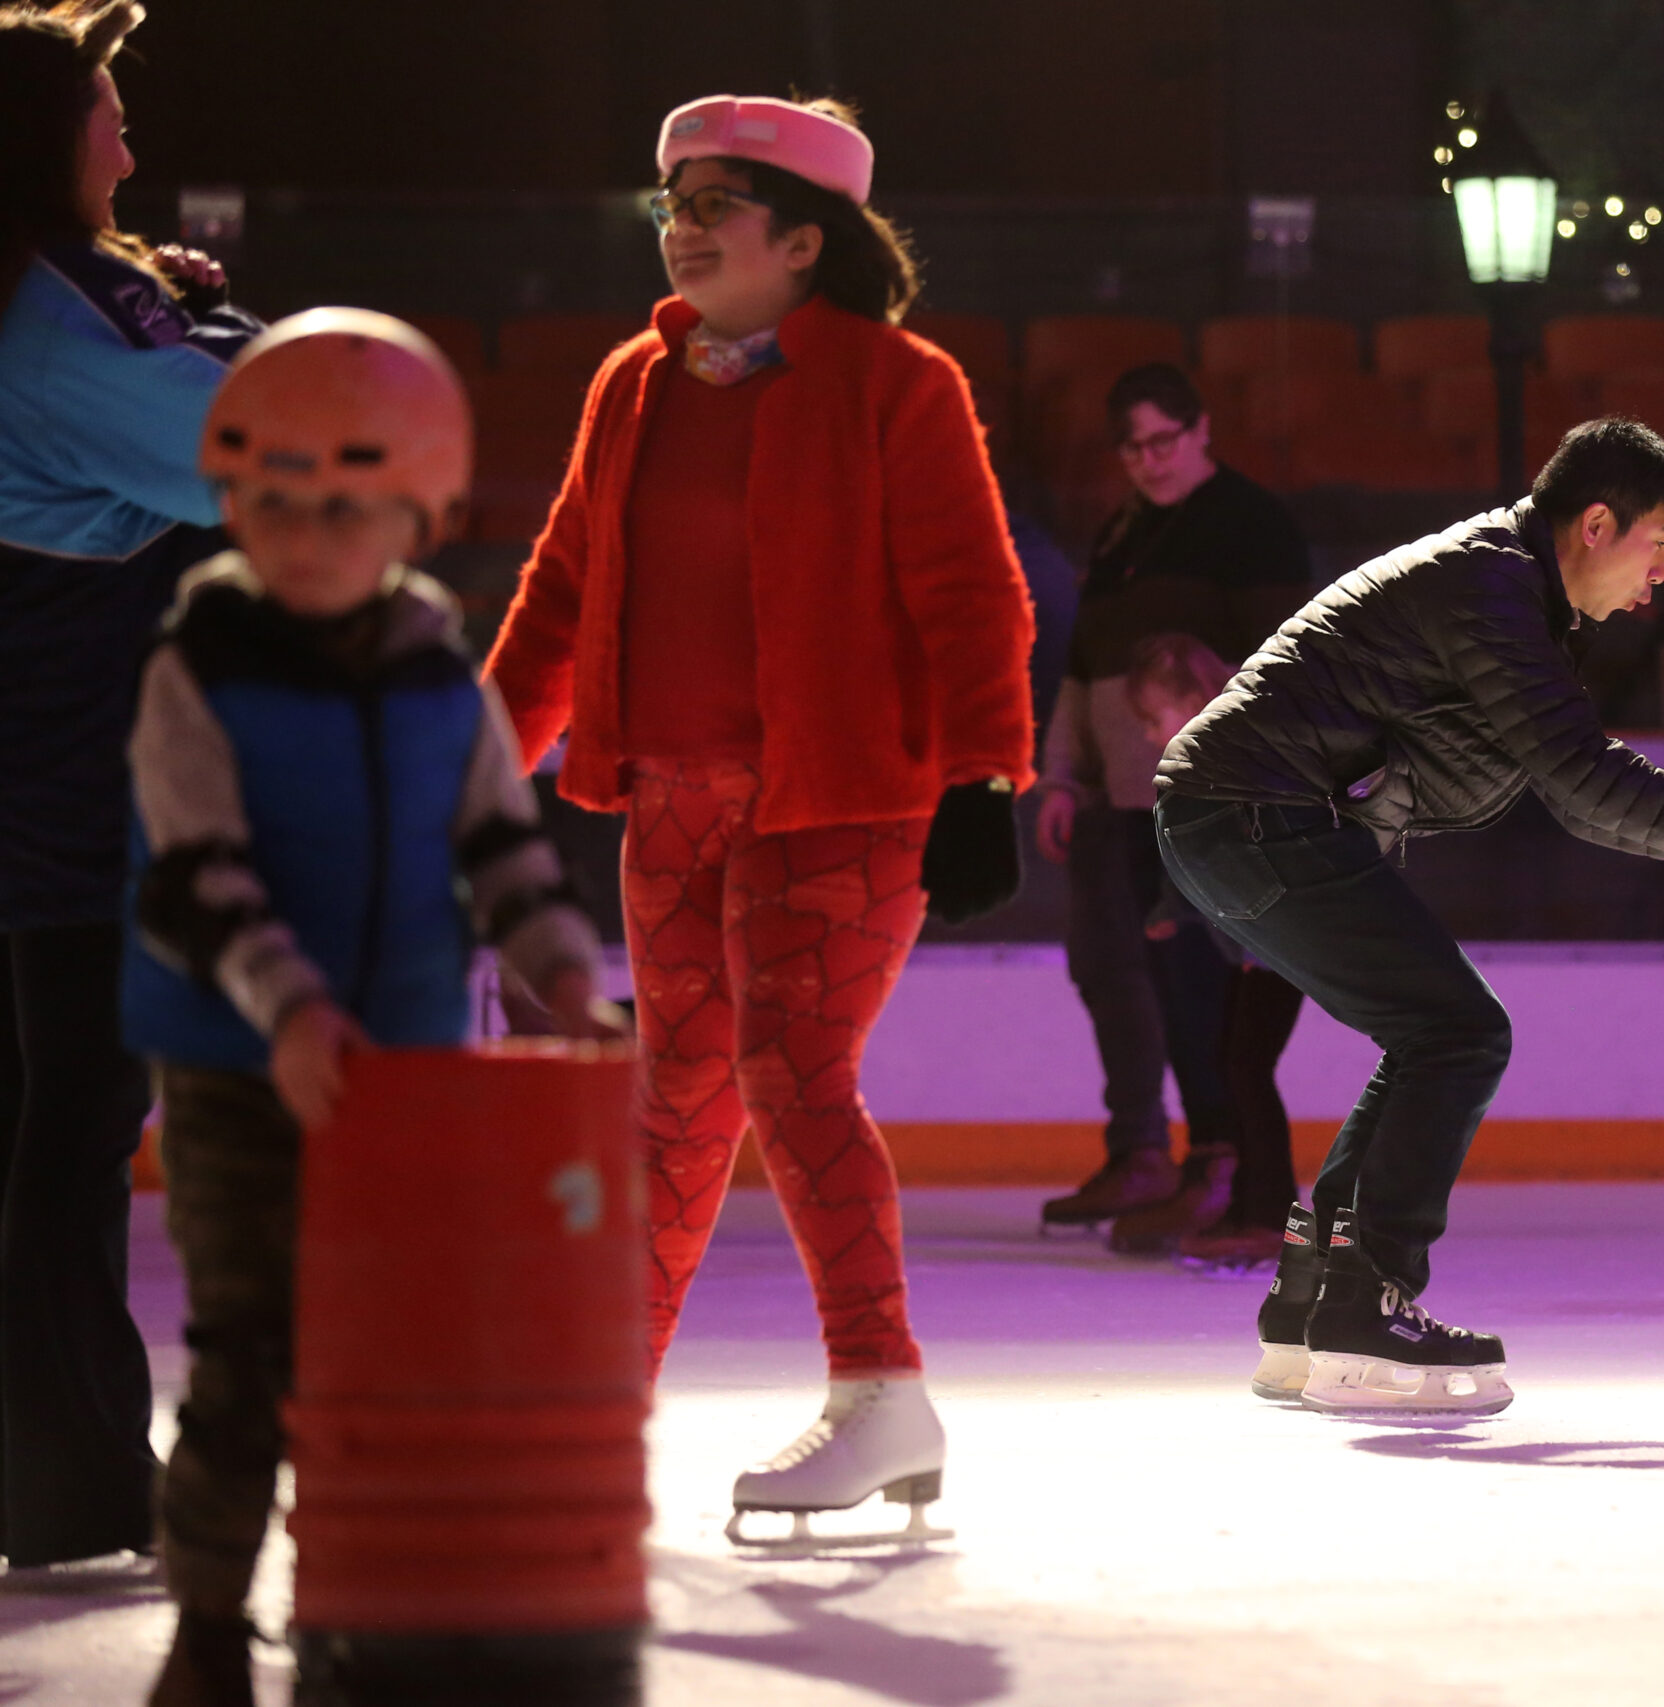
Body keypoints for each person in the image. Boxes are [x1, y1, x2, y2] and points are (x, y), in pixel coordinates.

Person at [484, 94, 1035, 1543]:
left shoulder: (896, 384)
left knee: (792, 1073)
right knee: (673, 1107)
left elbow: (974, 594)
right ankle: (594, 1411)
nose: (680, 220)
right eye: (669, 194)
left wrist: (986, 776)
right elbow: (556, 594)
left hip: (842, 799)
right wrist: (468, 773)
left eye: (714, 199)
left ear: (803, 239)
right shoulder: (633, 383)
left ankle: (879, 1387)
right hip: (665, 795)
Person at [1153, 418, 1664, 1416]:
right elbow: (1579, 776)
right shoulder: (1489, 589)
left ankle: (1313, 1303)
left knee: (1429, 1034)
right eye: (1657, 544)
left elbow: (1563, 781)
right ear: (1597, 523)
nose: (1659, 577)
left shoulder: (1502, 587)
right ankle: (1365, 1307)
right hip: (1253, 816)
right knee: (1457, 1033)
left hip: (1231, 817)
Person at [123, 309, 612, 1707]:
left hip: (407, 1075)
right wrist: (284, 1012)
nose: (307, 534)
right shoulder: (196, 665)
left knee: (394, 1347)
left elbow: (503, 849)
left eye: (346, 506)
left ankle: (375, 1593)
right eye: (271, 503)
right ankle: (209, 1623)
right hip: (238, 1069)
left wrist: (565, 968)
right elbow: (195, 877)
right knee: (246, 1351)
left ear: (416, 509)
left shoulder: (434, 673)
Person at [0, 0, 261, 1578]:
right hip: (67, 796)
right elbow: (251, 446)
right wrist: (221, 330)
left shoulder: (46, 301)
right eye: (107, 112)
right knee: (68, 1134)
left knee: (33, 1129)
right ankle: (72, 1485)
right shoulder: (54, 320)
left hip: (34, 782)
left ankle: (52, 1476)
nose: (131, 143)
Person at [1034, 363, 1312, 1235]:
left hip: (1214, 795)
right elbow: (1085, 666)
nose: (1149, 460)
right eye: (1132, 447)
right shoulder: (1124, 531)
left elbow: (1287, 656)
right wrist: (1061, 774)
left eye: (1163, 440)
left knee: (1208, 988)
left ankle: (1226, 1164)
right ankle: (1190, 1156)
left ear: (1200, 431)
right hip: (1127, 792)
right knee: (1152, 974)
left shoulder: (1249, 523)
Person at [1107, 631, 1305, 1263]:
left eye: (1153, 717)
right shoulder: (1213, 761)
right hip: (1266, 937)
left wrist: (1254, 926)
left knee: (1246, 1067)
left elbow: (1249, 848)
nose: (1147, 736)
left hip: (1283, 936)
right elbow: (1204, 856)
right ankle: (1253, 1205)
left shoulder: (1238, 756)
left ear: (1193, 697)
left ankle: (1271, 1211)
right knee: (1236, 1064)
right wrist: (1176, 913)